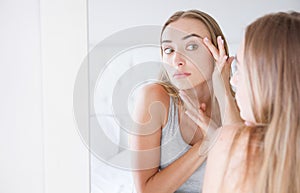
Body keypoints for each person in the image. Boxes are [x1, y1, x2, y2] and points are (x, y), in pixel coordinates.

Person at [184, 11, 300, 193]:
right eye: (168, 49)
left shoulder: (230, 143)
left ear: (267, 79)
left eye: (240, 67)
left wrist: (216, 141)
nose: (233, 80)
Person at [130, 10, 230, 193]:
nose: (176, 59)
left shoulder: (239, 103)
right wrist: (207, 144)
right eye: (168, 50)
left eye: (191, 46)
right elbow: (146, 190)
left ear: (216, 50)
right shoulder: (154, 98)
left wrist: (225, 89)